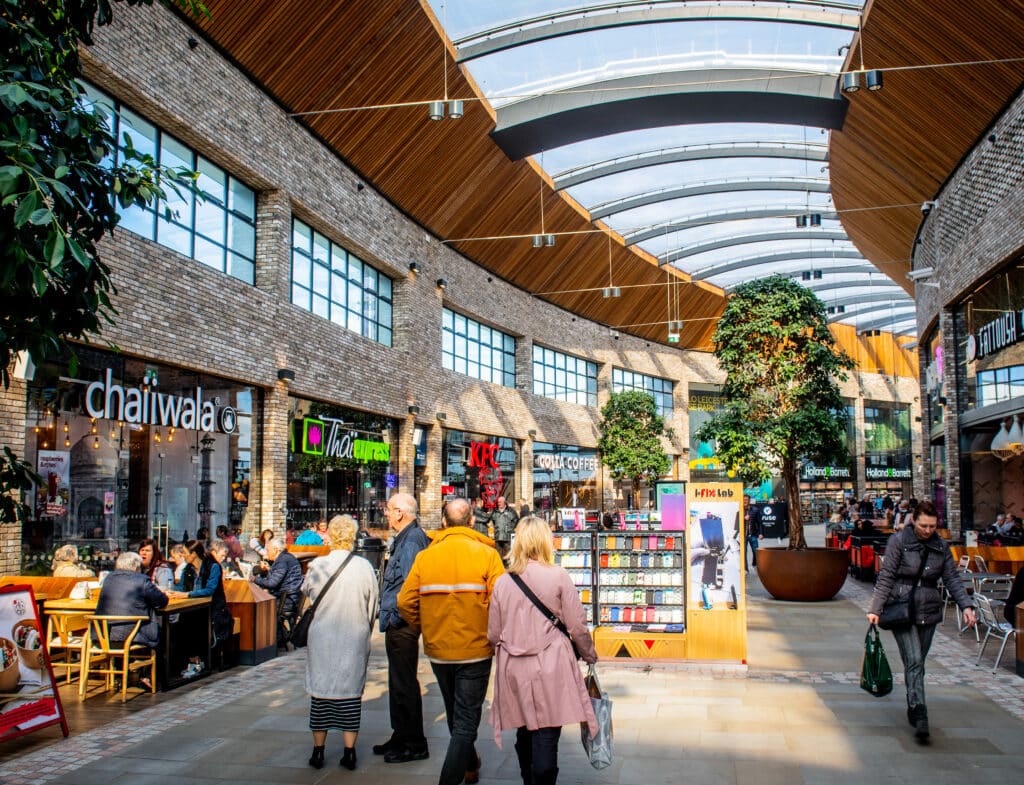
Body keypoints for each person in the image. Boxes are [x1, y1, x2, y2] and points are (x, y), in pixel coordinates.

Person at [398, 497, 505, 785]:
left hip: (439, 650)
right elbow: (502, 601)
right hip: (476, 649)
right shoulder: (487, 555)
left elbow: (405, 601)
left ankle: (470, 765)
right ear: (472, 522)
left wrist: (427, 625)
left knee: (455, 714)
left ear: (444, 523)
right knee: (466, 722)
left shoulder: (426, 557)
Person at [487, 517, 598, 785]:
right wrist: (589, 654)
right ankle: (542, 778)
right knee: (547, 730)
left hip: (515, 666)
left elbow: (493, 632)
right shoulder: (558, 576)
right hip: (551, 664)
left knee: (525, 728)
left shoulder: (504, 581)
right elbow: (577, 625)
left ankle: (528, 775)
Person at [867, 500, 976, 741]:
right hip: (902, 608)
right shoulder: (899, 542)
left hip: (929, 609)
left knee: (918, 663)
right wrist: (875, 608)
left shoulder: (940, 546)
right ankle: (919, 711)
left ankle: (912, 699)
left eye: (932, 526)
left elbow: (952, 578)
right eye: (924, 525)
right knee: (914, 660)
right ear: (914, 520)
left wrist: (966, 606)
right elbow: (886, 577)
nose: (928, 530)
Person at [303, 515, 379, 771]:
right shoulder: (364, 567)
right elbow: (372, 606)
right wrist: (365, 629)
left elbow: (308, 597)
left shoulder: (317, 566)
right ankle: (349, 752)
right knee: (350, 693)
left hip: (323, 636)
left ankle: (318, 750)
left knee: (321, 693)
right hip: (353, 635)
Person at [373, 492, 431, 763]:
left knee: (404, 683)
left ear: (401, 513)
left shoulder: (412, 540)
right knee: (398, 682)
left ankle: (414, 743)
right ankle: (401, 735)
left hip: (403, 623)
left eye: (389, 509)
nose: (385, 513)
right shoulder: (406, 537)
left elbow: (410, 586)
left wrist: (398, 617)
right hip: (399, 621)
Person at [94, 551, 168, 664]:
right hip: (129, 637)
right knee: (160, 635)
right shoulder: (142, 580)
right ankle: (150, 676)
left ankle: (121, 673)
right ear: (136, 566)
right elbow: (162, 601)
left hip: (102, 636)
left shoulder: (108, 578)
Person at [168, 541, 233, 651]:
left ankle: (197, 660)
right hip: (192, 609)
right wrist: (171, 592)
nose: (182, 556)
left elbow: (209, 590)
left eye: (184, 553)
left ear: (193, 554)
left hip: (212, 610)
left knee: (193, 626)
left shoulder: (213, 567)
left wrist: (187, 594)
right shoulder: (188, 569)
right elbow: (180, 587)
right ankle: (185, 661)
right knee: (176, 628)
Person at [252, 537, 304, 648]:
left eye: (268, 549)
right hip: (292, 597)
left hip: (286, 600)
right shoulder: (287, 557)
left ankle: (268, 641)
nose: (267, 552)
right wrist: (270, 570)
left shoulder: (282, 561)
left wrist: (254, 579)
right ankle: (279, 636)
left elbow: (272, 583)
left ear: (275, 550)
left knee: (258, 606)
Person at [743, 496, 762, 571]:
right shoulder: (739, 510)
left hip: (753, 534)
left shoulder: (755, 510)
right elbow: (735, 524)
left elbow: (760, 522)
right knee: (744, 553)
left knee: (756, 551)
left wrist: (761, 533)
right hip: (743, 536)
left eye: (746, 500)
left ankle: (755, 564)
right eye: (743, 500)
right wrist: (743, 518)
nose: (745, 501)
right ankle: (745, 569)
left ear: (749, 501)